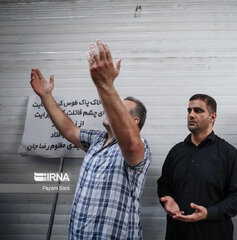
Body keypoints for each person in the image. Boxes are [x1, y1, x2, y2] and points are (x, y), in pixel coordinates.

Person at [30, 40, 151, 239]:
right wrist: (46, 96)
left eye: (118, 108)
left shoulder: (140, 147)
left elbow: (129, 144)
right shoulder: (96, 140)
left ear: (134, 121)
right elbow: (68, 130)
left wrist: (105, 84)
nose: (109, 109)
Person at [157, 94, 237, 240]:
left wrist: (209, 212)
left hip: (214, 233)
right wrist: (168, 198)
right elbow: (164, 184)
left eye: (198, 111)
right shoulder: (176, 151)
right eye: (189, 111)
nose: (191, 115)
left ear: (212, 117)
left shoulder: (228, 153)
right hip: (177, 232)